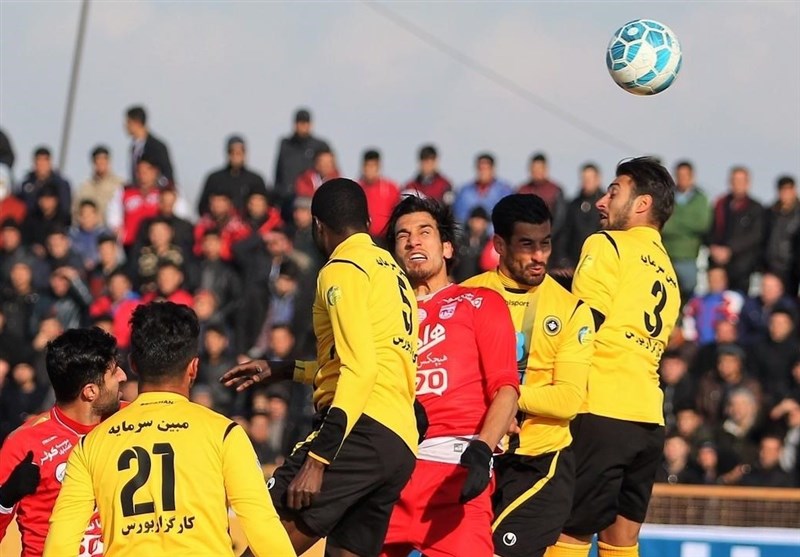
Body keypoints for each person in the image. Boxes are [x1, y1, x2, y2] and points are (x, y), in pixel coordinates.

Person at [221, 178, 419, 557]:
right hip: (398, 441)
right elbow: (368, 361)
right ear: (367, 222)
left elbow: (360, 370)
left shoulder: (342, 268)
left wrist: (318, 459)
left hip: (359, 427)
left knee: (264, 539)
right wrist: (287, 369)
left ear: (317, 226)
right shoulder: (393, 272)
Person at [43, 302, 295, 556]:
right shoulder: (224, 434)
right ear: (194, 368)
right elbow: (263, 528)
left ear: (133, 365)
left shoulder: (91, 444)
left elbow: (59, 546)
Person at [553, 157, 680, 557]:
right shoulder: (669, 272)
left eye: (614, 192)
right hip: (648, 418)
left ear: (642, 204)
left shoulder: (606, 243)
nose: (602, 202)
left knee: (568, 531)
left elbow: (585, 324)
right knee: (621, 540)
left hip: (601, 406)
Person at [380, 196, 519, 557]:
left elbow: (506, 389)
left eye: (424, 232)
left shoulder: (481, 302)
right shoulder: (380, 315)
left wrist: (482, 451)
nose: (413, 241)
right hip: (386, 474)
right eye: (402, 236)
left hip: (455, 474)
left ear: (447, 248)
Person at [463, 194, 595, 557]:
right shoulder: (466, 296)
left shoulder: (570, 310)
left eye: (545, 244)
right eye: (527, 245)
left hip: (539, 463)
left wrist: (507, 397)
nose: (539, 256)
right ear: (499, 245)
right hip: (475, 453)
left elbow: (567, 399)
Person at [0, 327, 127, 557]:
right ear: (90, 392)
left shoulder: (134, 420)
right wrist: (5, 499)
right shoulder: (24, 444)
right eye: (114, 371)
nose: (123, 376)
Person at [661, 161, 711, 305]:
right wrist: (686, 225)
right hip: (667, 253)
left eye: (685, 175)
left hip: (688, 256)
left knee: (688, 289)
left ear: (692, 176)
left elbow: (702, 224)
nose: (682, 179)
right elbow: (663, 224)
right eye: (679, 175)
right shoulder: (667, 196)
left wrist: (675, 221)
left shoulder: (701, 199)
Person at [198, 135, 269, 216]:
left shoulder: (256, 180)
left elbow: (265, 208)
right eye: (232, 152)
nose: (236, 156)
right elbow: (202, 207)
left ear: (245, 154)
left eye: (239, 153)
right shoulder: (215, 179)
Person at [274, 108, 331, 206]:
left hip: (311, 197)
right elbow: (279, 172)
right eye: (300, 123)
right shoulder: (286, 144)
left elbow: (330, 170)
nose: (303, 126)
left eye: (305, 123)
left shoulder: (320, 145)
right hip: (287, 198)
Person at [125, 105, 174, 185]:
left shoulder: (157, 147)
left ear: (137, 122)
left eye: (128, 122)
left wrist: (156, 186)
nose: (126, 126)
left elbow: (167, 175)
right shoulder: (134, 147)